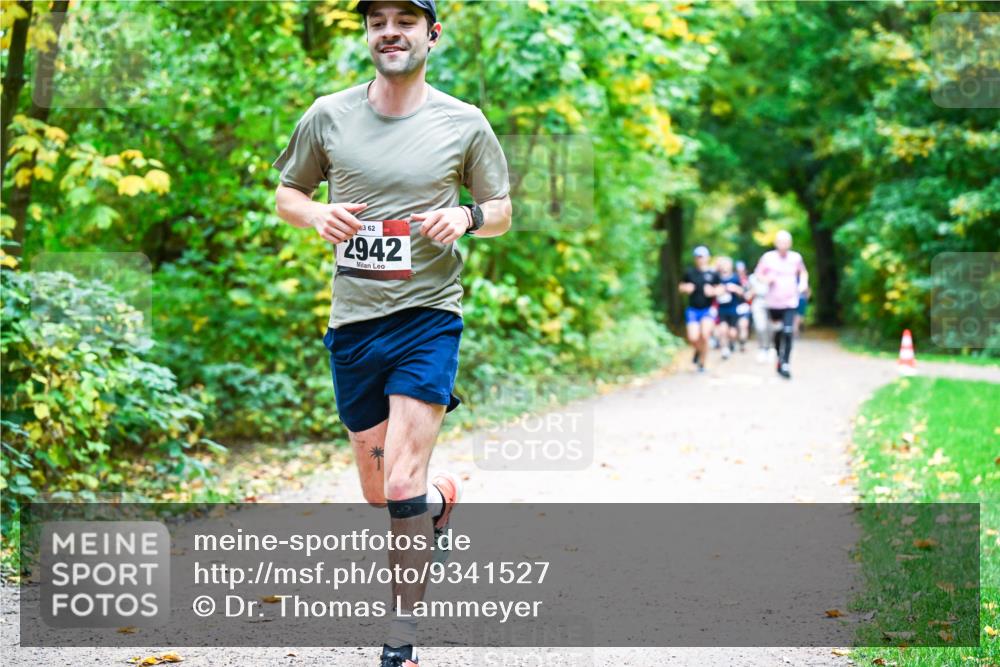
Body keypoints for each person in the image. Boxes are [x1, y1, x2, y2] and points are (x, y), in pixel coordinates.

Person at [272, 2, 512, 664]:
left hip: (428, 318)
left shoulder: (463, 122)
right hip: (353, 324)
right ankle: (440, 502)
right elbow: (287, 194)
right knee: (379, 491)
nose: (390, 31)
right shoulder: (328, 114)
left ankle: (400, 639)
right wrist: (315, 213)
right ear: (367, 35)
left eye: (406, 19)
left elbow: (501, 210)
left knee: (400, 484)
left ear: (432, 34)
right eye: (378, 20)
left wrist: (466, 218)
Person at [754, 230, 809, 379]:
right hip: (773, 302)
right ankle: (779, 358)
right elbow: (758, 274)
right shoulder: (768, 258)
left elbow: (803, 272)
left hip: (790, 301)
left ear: (790, 243)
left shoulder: (795, 258)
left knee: (788, 331)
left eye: (786, 242)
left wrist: (803, 284)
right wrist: (766, 280)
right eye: (780, 242)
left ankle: (786, 363)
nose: (783, 245)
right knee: (778, 332)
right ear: (776, 243)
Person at [679, 246, 720, 372]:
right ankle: (698, 350)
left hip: (707, 309)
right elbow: (680, 287)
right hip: (693, 310)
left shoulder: (713, 273)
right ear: (695, 258)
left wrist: (713, 291)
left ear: (707, 258)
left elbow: (721, 289)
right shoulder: (690, 272)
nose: (700, 259)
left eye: (702, 256)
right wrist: (686, 288)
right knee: (693, 338)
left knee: (705, 335)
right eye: (698, 257)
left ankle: (702, 364)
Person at [714, 256, 744, 360]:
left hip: (733, 308)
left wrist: (735, 289)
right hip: (721, 309)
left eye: (727, 264)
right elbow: (712, 290)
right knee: (723, 330)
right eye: (723, 265)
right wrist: (720, 290)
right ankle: (725, 349)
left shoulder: (735, 277)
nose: (725, 267)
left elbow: (742, 292)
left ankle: (732, 343)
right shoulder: (717, 277)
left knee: (732, 332)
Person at [748, 268, 772, 363]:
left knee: (770, 327)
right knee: (759, 326)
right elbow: (750, 290)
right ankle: (762, 348)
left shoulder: (773, 275)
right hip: (758, 301)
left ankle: (770, 348)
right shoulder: (753, 277)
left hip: (772, 302)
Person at [734, 260, 751, 351]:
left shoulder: (748, 281)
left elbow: (750, 293)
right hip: (733, 306)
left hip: (744, 306)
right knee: (735, 327)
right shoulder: (732, 279)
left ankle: (743, 343)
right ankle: (733, 342)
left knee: (743, 325)